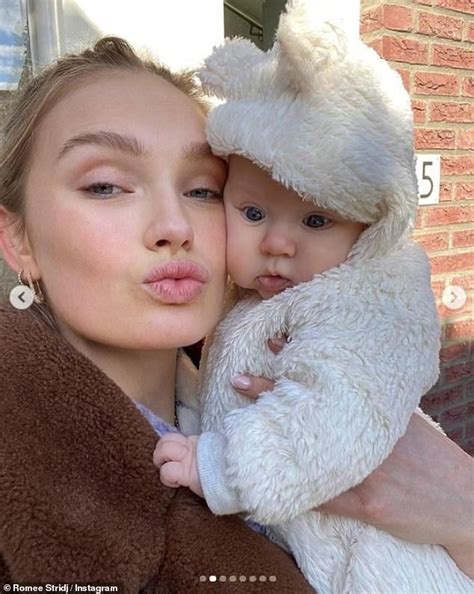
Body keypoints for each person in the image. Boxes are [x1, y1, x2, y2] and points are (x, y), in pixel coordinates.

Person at [153, 2, 474, 592]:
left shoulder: (373, 298)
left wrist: (218, 466)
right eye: (251, 212)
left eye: (317, 221)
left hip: (381, 568)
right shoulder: (254, 300)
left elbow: (337, 417)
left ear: (367, 227)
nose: (277, 243)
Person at [0, 36, 316, 592]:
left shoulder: (297, 394)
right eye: (105, 186)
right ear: (18, 239)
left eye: (203, 190)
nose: (175, 225)